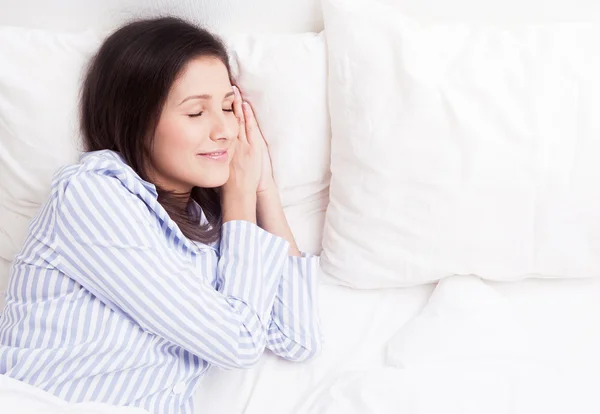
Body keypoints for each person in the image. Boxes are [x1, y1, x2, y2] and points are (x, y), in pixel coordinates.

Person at [0, 17, 322, 414]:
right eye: (195, 113)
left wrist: (262, 188)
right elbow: (237, 342)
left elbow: (297, 337)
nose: (224, 130)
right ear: (137, 122)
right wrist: (239, 197)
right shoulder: (91, 196)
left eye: (227, 107)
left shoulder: (212, 229)